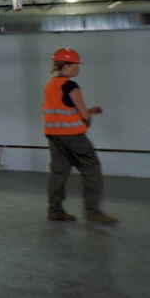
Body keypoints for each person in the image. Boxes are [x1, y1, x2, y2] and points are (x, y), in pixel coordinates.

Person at [43, 48, 118, 224]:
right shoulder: (71, 85)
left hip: (54, 136)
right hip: (74, 136)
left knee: (58, 173)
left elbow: (62, 109)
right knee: (91, 169)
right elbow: (83, 114)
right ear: (66, 65)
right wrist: (88, 118)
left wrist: (89, 111)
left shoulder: (51, 84)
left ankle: (54, 211)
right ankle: (92, 212)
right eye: (75, 65)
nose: (77, 68)